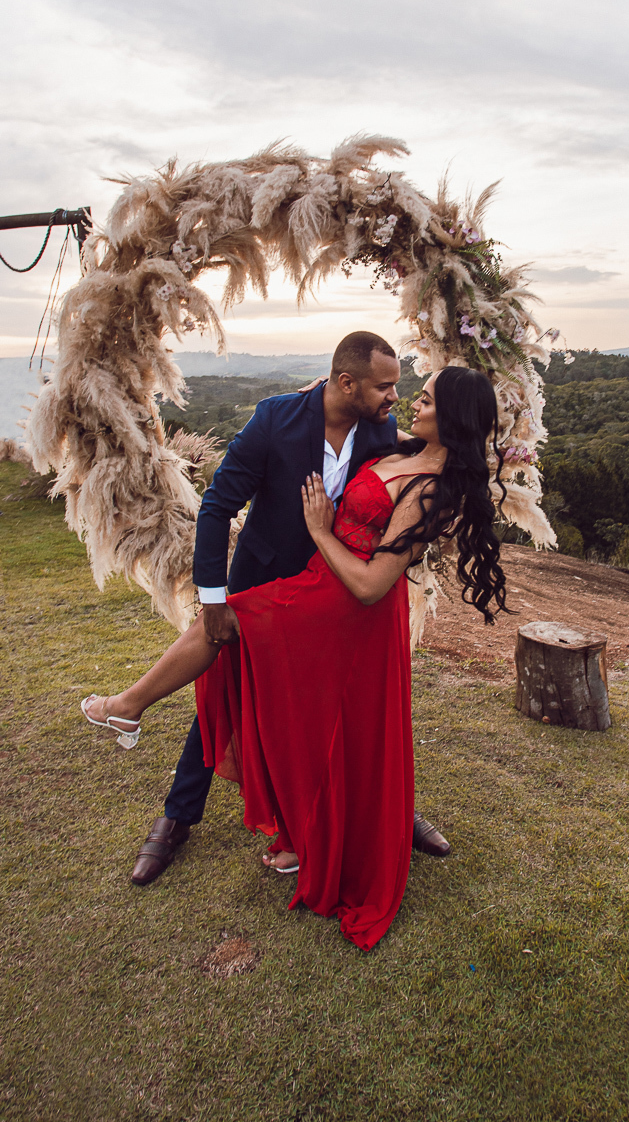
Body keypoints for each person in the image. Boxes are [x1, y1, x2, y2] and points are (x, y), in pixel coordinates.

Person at [82, 364, 507, 949]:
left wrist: (321, 529)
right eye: (389, 389)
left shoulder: (410, 460)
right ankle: (194, 805)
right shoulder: (294, 421)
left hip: (343, 598)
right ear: (346, 383)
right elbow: (217, 506)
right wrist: (319, 395)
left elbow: (374, 575)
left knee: (260, 666)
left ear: (451, 415)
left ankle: (128, 707)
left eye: (421, 396)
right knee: (241, 658)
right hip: (298, 577)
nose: (402, 399)